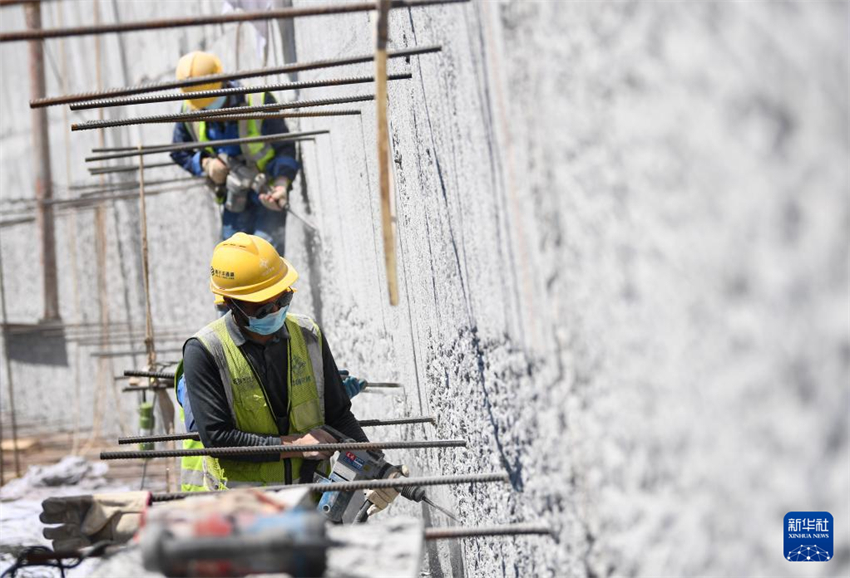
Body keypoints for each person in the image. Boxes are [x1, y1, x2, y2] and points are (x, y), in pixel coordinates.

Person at [174, 233, 397, 521]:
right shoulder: (205, 351)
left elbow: (339, 415)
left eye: (283, 298)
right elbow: (219, 439)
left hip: (311, 508)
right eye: (263, 307)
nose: (276, 310)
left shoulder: (308, 335)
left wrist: (374, 466)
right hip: (244, 515)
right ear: (231, 302)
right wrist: (296, 447)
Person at [169, 51, 298, 255]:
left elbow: (285, 146)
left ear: (222, 82)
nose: (207, 109)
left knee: (265, 262)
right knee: (232, 263)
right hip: (233, 198)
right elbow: (178, 151)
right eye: (203, 106)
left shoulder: (257, 100)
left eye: (209, 102)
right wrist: (205, 165)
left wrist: (282, 184)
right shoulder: (190, 109)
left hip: (267, 192)